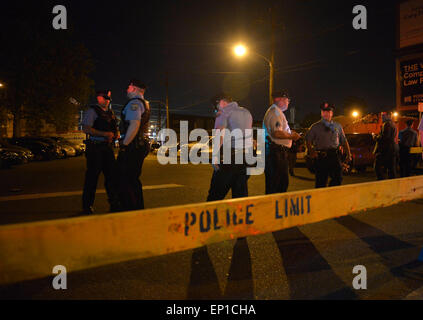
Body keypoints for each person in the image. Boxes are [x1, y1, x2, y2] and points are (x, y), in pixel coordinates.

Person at [206, 93, 253, 201]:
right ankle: (240, 217)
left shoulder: (223, 112)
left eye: (216, 106)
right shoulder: (246, 112)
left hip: (230, 157)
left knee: (215, 195)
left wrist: (215, 157)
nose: (216, 109)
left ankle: (211, 217)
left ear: (221, 102)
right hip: (246, 158)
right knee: (240, 196)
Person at [81, 90, 120, 215]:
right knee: (92, 178)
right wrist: (104, 134)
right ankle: (87, 206)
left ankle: (114, 203)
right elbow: (86, 128)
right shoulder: (92, 111)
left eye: (108, 98)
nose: (107, 100)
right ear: (99, 98)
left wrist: (116, 133)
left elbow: (114, 127)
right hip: (95, 147)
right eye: (105, 98)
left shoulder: (110, 113)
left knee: (112, 177)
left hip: (107, 147)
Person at [117, 79, 151, 211]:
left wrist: (124, 145)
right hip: (139, 144)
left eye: (129, 87)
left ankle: (131, 209)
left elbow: (134, 124)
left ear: (136, 89)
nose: (127, 89)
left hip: (133, 145)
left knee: (127, 179)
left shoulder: (135, 103)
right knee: (132, 178)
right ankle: (135, 207)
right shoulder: (145, 103)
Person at [306, 102, 352, 188]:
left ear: (332, 113)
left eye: (328, 112)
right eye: (324, 111)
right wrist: (311, 151)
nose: (326, 113)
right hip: (321, 157)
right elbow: (308, 140)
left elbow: (344, 140)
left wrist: (349, 154)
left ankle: (332, 196)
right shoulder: (315, 127)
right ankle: (321, 199)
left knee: (338, 178)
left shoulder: (337, 126)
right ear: (321, 113)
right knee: (321, 182)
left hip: (334, 156)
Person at [263, 90, 301, 194]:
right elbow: (277, 133)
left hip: (276, 153)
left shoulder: (276, 111)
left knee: (279, 184)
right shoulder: (276, 112)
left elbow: (279, 131)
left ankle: (275, 208)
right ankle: (273, 209)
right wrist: (292, 136)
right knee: (277, 186)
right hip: (276, 153)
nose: (288, 102)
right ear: (281, 99)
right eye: (288, 100)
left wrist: (289, 132)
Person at [373, 112, 398, 180]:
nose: (382, 118)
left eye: (383, 116)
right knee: (391, 168)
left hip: (385, 149)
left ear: (389, 116)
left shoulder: (387, 124)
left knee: (377, 166)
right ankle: (393, 184)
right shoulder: (393, 124)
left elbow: (384, 137)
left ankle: (381, 181)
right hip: (392, 148)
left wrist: (375, 137)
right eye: (381, 116)